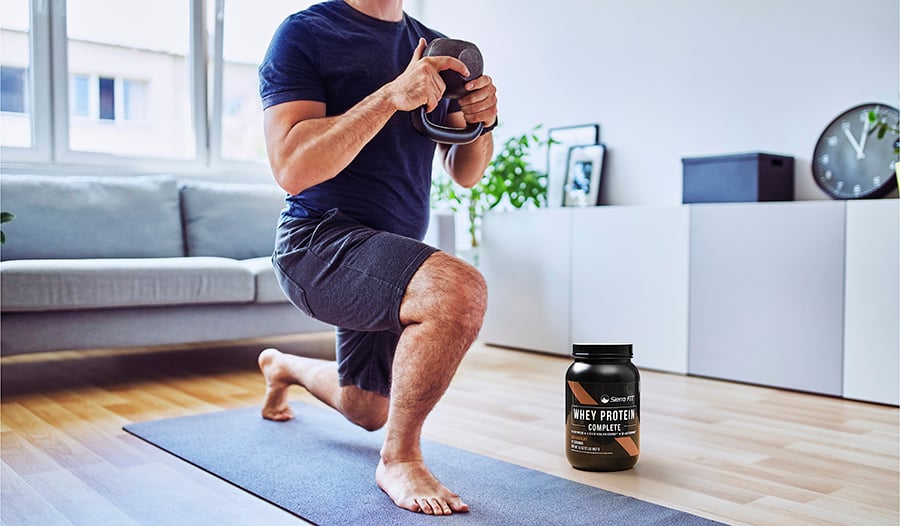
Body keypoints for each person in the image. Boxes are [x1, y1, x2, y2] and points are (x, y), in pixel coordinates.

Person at [256, 0, 498, 516]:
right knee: (457, 289)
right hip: (317, 243)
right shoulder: (306, 32)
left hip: (388, 255)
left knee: (366, 408)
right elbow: (292, 167)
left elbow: (465, 171)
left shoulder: (435, 45)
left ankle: (283, 367)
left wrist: (483, 122)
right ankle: (400, 458)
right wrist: (392, 95)